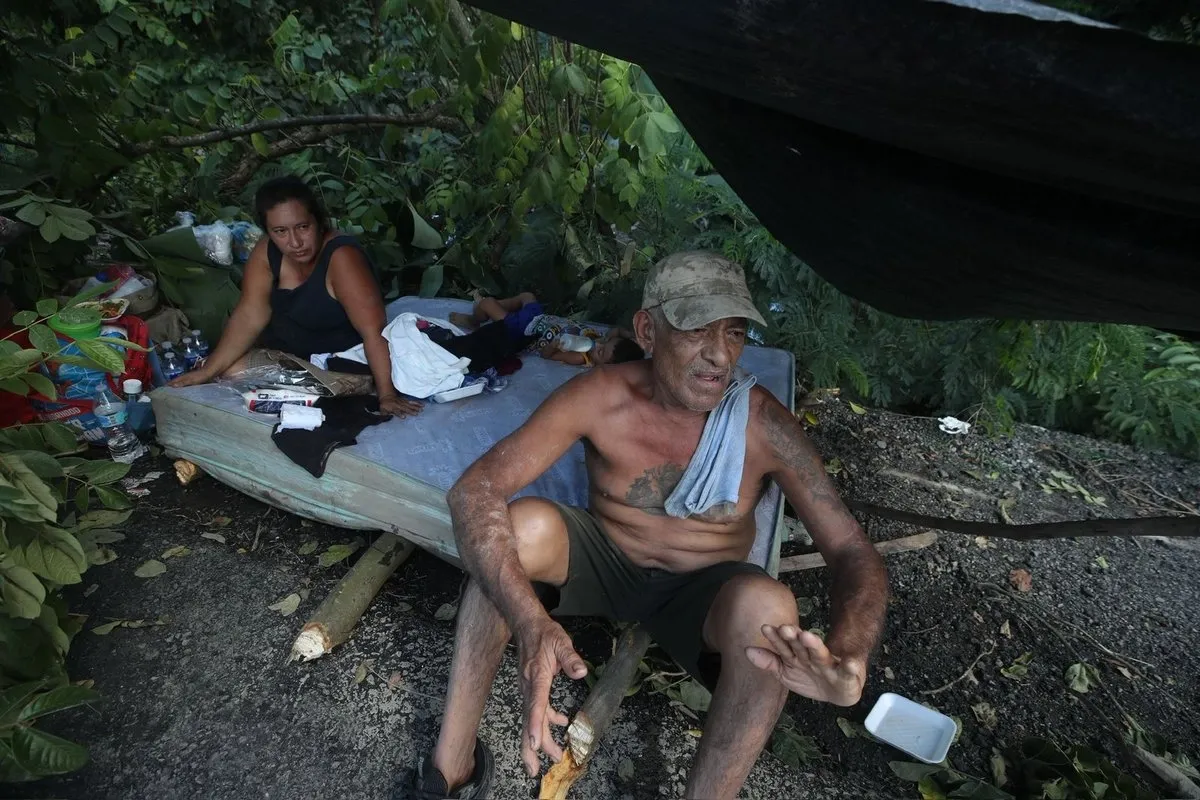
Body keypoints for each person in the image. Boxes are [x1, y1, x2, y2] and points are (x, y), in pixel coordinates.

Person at [411, 251, 889, 799]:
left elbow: (852, 549)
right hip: (605, 559)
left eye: (733, 334)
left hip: (703, 591)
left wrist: (849, 657)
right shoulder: (601, 396)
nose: (718, 356)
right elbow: (475, 490)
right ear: (648, 328)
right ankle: (450, 769)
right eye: (695, 330)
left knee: (772, 615)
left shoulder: (762, 424)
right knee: (514, 530)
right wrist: (528, 619)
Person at [169, 176, 421, 418]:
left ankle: (347, 391)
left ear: (318, 221)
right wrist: (209, 371)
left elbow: (373, 331)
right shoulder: (266, 251)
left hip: (338, 365)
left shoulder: (341, 257)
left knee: (237, 374)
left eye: (303, 227)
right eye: (280, 231)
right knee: (219, 369)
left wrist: (386, 395)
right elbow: (250, 314)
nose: (295, 242)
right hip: (290, 358)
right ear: (268, 231)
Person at [449, 291, 644, 367]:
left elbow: (546, 355)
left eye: (600, 353)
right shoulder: (601, 339)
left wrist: (555, 345)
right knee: (527, 297)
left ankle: (475, 320)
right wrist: (630, 336)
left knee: (487, 303)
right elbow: (617, 331)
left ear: (603, 365)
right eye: (605, 343)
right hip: (537, 319)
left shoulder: (580, 357)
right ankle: (492, 312)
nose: (597, 345)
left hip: (524, 333)